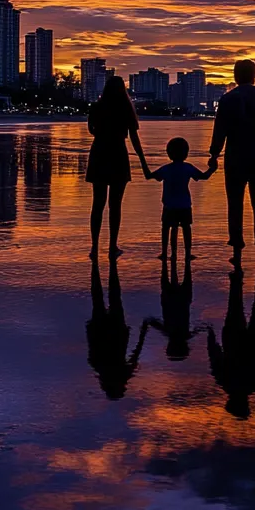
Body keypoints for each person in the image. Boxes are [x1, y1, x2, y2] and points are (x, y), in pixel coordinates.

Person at [207, 59, 255, 269]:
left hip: (235, 158)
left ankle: (237, 249)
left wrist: (214, 154)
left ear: (235, 76)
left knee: (235, 204)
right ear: (254, 75)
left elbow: (220, 129)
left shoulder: (228, 99)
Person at [86, 75, 151, 260]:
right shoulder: (125, 109)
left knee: (97, 204)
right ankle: (112, 246)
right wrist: (144, 165)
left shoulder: (96, 107)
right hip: (117, 154)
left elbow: (91, 130)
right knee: (115, 205)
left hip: (99, 153)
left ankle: (94, 247)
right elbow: (135, 140)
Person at [207, 262, 255, 419]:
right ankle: (242, 271)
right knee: (235, 305)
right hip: (235, 340)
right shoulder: (226, 382)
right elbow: (214, 356)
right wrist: (211, 337)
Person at [86, 259, 149, 400]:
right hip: (107, 330)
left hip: (115, 331)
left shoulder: (118, 371)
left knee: (112, 298)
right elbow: (135, 353)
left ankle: (103, 265)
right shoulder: (99, 367)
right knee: (100, 297)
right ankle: (101, 266)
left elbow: (136, 352)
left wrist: (143, 332)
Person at [148, 136, 215, 260]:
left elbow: (150, 176)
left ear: (169, 153)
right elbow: (203, 177)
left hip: (169, 205)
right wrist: (212, 169)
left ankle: (166, 253)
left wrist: (143, 162)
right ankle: (188, 253)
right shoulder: (187, 167)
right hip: (184, 205)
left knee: (168, 228)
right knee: (186, 228)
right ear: (186, 153)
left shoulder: (166, 169)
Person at [146, 254, 202, 361]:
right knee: (175, 272)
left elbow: (200, 329)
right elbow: (151, 321)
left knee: (184, 272)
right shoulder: (170, 333)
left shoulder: (181, 334)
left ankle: (176, 256)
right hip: (173, 300)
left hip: (180, 300)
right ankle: (181, 256)